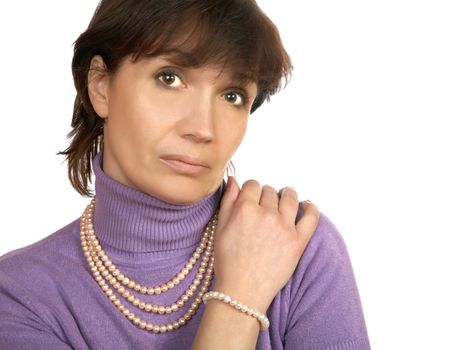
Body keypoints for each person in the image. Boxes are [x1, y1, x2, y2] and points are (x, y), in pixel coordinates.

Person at [0, 0, 370, 349]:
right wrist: (239, 297)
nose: (203, 129)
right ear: (100, 85)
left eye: (232, 96)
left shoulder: (296, 244)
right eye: (170, 78)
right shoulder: (20, 294)